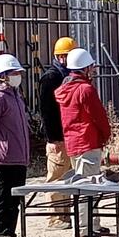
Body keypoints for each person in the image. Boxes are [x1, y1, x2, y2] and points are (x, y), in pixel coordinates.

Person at [0, 55, 32, 236]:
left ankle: (11, 234)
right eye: (14, 73)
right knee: (3, 200)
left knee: (14, 202)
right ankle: (2, 236)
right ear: (3, 75)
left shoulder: (16, 96)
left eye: (18, 73)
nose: (18, 76)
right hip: (3, 160)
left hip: (19, 159)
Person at [56, 49, 112, 175]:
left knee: (79, 182)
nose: (93, 70)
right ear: (85, 68)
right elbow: (99, 117)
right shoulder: (85, 90)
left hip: (73, 144)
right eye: (91, 67)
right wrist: (106, 135)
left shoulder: (65, 89)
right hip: (88, 144)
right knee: (88, 184)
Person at [38, 36, 76, 224]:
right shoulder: (51, 78)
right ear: (60, 57)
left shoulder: (67, 76)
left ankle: (65, 214)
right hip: (57, 137)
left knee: (67, 177)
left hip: (68, 135)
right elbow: (46, 111)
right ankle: (55, 217)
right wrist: (53, 138)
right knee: (55, 177)